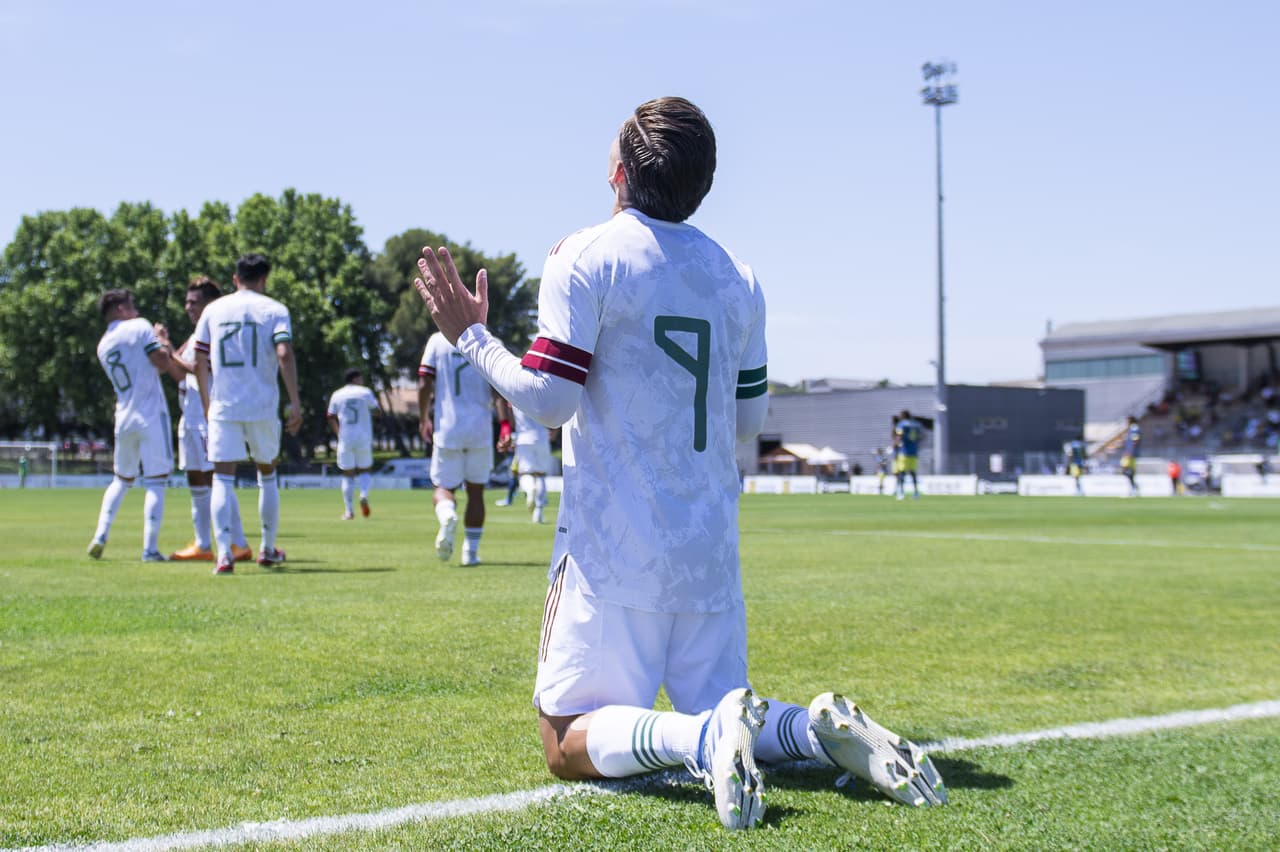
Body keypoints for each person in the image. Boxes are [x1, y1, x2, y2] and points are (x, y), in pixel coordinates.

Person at [412, 96, 945, 831]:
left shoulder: (584, 256)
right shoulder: (738, 278)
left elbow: (548, 400)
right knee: (731, 708)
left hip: (614, 550)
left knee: (565, 740)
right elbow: (749, 423)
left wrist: (471, 336)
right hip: (709, 550)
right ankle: (811, 731)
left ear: (620, 174)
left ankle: (700, 740)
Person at [194, 253, 302, 575]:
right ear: (264, 280)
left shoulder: (213, 309)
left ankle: (224, 554)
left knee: (222, 478)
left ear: (234, 278)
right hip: (262, 405)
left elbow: (199, 359)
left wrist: (206, 401)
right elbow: (283, 353)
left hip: (224, 405)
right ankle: (267, 549)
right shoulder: (274, 309)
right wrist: (295, 401)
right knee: (266, 474)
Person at [163, 277, 254, 563]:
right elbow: (178, 371)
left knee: (218, 478)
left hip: (208, 414)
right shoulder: (194, 336)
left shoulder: (217, 332)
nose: (188, 307)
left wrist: (166, 347)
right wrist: (166, 349)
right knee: (195, 478)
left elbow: (200, 367)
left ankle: (238, 542)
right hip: (189, 414)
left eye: (194, 302)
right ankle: (203, 543)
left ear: (211, 303)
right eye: (187, 301)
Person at [87, 289, 173, 562]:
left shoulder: (103, 344)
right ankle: (149, 548)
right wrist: (162, 340)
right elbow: (161, 362)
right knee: (156, 481)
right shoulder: (139, 326)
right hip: (149, 413)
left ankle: (101, 534)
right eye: (132, 306)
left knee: (121, 480)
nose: (136, 310)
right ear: (121, 309)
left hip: (123, 415)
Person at [418, 331, 499, 566]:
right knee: (476, 493)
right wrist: (505, 426)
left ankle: (447, 515)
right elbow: (499, 391)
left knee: (443, 489)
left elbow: (424, 382)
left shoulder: (437, 340)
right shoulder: (488, 339)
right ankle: (470, 554)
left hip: (448, 428)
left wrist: (424, 418)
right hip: (480, 430)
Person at [326, 368, 381, 520]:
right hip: (363, 437)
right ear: (356, 379)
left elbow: (330, 416)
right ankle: (363, 494)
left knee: (347, 473)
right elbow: (377, 411)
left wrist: (338, 432)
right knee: (365, 470)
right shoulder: (365, 392)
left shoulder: (337, 395)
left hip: (345, 438)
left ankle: (349, 511)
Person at [496, 397, 556, 524]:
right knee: (540, 476)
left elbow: (511, 421)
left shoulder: (516, 395)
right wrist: (555, 431)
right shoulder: (542, 396)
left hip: (523, 437)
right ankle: (538, 512)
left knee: (525, 474)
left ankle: (529, 491)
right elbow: (555, 413)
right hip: (542, 436)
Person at [895, 410, 923, 500]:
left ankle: (901, 492)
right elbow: (920, 437)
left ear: (903, 415)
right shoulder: (916, 425)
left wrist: (895, 445)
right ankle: (916, 492)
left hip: (904, 451)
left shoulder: (901, 424)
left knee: (902, 472)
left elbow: (899, 436)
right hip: (914, 452)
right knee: (913, 472)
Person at [1120, 415, 1141, 496]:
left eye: (1128, 420)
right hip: (1129, 452)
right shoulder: (1131, 428)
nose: (1126, 422)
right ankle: (1134, 487)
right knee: (1128, 470)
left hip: (1130, 453)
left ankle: (1134, 487)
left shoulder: (1134, 428)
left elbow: (1135, 440)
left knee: (1125, 468)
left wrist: (1130, 451)